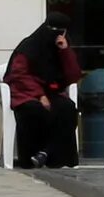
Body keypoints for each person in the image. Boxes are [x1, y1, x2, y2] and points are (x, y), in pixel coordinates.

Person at [5, 15, 81, 169]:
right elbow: (19, 75)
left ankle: (47, 154)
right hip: (26, 93)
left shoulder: (61, 48)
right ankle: (32, 156)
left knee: (67, 109)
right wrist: (40, 95)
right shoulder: (29, 47)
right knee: (33, 111)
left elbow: (73, 75)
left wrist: (65, 52)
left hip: (52, 92)